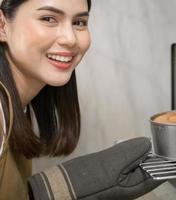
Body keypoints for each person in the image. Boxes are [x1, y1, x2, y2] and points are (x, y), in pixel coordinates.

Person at [0, 0, 162, 199]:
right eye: (48, 19)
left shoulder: (17, 107)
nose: (70, 39)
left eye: (79, 22)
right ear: (2, 26)